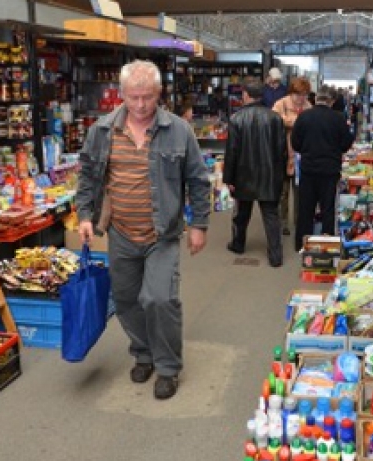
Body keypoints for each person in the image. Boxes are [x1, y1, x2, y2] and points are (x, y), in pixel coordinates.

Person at [76, 60, 211, 400]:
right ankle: (144, 353)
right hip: (120, 232)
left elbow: (197, 179)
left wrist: (199, 225)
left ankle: (167, 367)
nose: (140, 105)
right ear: (121, 95)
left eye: (147, 97)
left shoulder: (179, 130)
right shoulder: (102, 130)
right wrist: (84, 215)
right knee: (125, 300)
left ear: (158, 94)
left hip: (161, 234)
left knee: (160, 299)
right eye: (133, 97)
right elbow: (89, 176)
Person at [223, 77, 288, 267]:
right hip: (269, 175)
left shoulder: (236, 119)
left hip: (244, 176)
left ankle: (238, 244)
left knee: (241, 214)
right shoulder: (275, 118)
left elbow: (232, 151)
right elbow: (281, 149)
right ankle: (276, 256)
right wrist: (280, 174)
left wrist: (229, 177)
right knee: (271, 215)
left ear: (246, 95)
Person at [291, 86, 354, 251]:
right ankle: (327, 246)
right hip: (330, 170)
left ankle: (302, 245)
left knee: (305, 209)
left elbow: (295, 143)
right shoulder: (338, 118)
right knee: (328, 209)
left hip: (308, 169)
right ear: (331, 101)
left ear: (315, 99)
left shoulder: (303, 117)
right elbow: (346, 144)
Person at [272, 77, 313, 236]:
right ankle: (282, 222)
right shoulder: (281, 103)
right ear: (291, 93)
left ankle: (298, 221)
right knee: (283, 192)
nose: (301, 99)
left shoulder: (308, 106)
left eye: (304, 95)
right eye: (298, 94)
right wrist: (296, 121)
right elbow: (274, 120)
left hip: (301, 155)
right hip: (282, 153)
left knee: (300, 191)